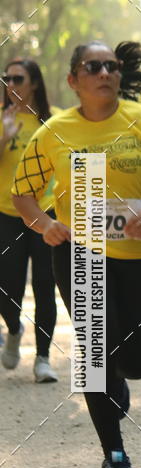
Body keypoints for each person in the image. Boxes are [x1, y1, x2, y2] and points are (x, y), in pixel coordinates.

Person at [12, 40, 141, 468]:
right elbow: (23, 193)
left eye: (111, 66)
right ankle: (114, 454)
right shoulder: (54, 131)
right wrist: (44, 226)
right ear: (74, 80)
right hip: (80, 254)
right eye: (93, 67)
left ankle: (120, 380)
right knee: (96, 352)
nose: (104, 73)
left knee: (135, 361)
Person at [0, 58, 58, 382]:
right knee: (6, 288)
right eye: (6, 78)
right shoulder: (1, 120)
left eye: (17, 78)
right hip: (6, 216)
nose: (10, 84)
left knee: (44, 286)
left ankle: (43, 359)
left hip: (45, 215)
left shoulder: (53, 122)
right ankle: (13, 328)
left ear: (34, 82)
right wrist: (4, 137)